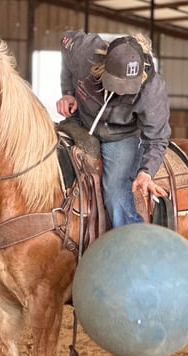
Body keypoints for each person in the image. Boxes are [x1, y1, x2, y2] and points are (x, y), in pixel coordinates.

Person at [56, 30, 171, 227]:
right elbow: (65, 43)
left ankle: (129, 242)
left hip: (120, 136)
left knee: (116, 193)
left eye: (126, 86)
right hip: (81, 119)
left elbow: (157, 139)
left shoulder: (152, 89)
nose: (119, 90)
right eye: (115, 83)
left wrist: (146, 172)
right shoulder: (85, 52)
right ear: (103, 67)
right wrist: (68, 93)